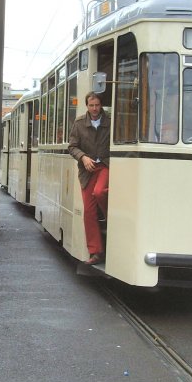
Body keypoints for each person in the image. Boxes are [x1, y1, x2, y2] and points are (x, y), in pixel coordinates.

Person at [68, 92, 110, 265]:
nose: (94, 109)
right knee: (89, 212)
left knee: (100, 192)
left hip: (105, 166)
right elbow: (72, 147)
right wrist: (83, 158)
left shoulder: (110, 121)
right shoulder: (79, 124)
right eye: (91, 105)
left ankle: (111, 217)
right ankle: (95, 252)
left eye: (97, 105)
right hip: (87, 170)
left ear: (101, 105)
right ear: (87, 106)